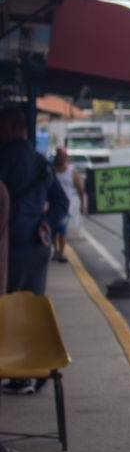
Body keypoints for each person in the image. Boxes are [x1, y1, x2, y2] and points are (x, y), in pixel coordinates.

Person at [0, 107, 68, 395]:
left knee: (9, 311)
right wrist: (46, 225)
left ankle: (19, 372)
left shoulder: (3, 158)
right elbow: (62, 203)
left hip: (9, 247)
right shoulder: (41, 163)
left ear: (9, 129)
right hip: (36, 246)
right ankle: (34, 368)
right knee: (31, 308)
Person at [51, 147, 85, 263]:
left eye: (63, 156)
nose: (61, 158)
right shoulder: (51, 171)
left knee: (62, 230)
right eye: (59, 155)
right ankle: (55, 250)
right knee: (53, 231)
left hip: (66, 206)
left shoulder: (72, 172)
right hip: (53, 205)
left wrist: (82, 204)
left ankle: (61, 252)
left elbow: (80, 189)